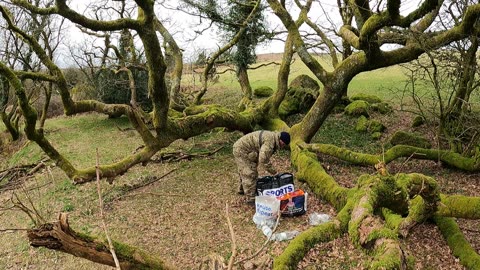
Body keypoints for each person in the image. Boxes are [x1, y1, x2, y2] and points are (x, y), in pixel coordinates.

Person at [233, 130, 290, 205]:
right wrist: (274, 172)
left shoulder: (273, 137)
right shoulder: (270, 142)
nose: (283, 146)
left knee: (246, 170)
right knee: (249, 173)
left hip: (248, 149)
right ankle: (250, 199)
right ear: (280, 139)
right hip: (242, 150)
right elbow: (263, 159)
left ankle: (242, 189)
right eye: (283, 144)